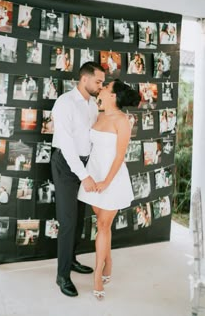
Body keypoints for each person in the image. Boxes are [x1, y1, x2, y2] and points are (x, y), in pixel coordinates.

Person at [78, 79, 141, 300]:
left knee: (103, 225)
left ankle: (97, 275)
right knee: (101, 222)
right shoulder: (98, 113)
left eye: (106, 87)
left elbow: (120, 156)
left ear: (113, 95)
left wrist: (106, 182)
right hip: (93, 174)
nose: (101, 88)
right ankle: (109, 259)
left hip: (112, 178)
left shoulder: (123, 121)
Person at [51, 61, 105, 297]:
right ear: (84, 79)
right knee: (68, 220)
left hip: (85, 164)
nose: (101, 86)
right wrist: (83, 175)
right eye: (98, 81)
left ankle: (71, 259)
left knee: (81, 217)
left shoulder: (93, 104)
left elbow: (91, 140)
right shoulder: (64, 103)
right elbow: (66, 144)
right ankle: (62, 275)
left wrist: (91, 169)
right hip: (65, 163)